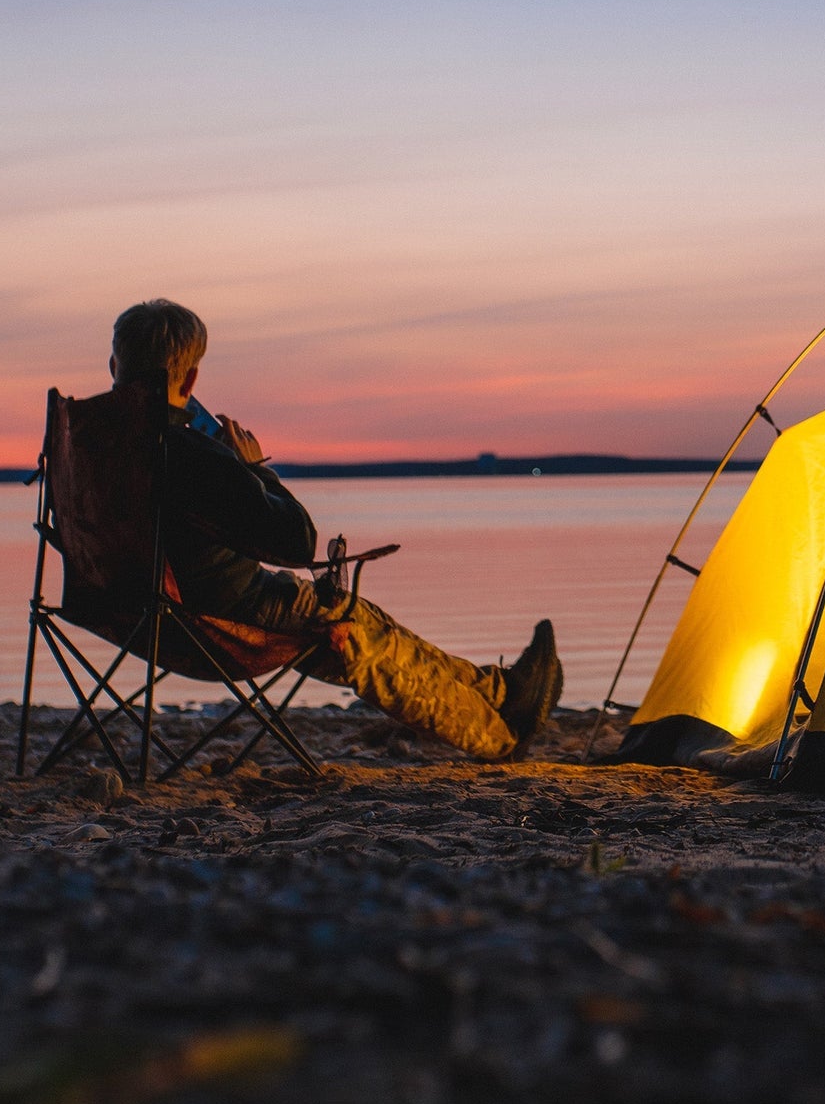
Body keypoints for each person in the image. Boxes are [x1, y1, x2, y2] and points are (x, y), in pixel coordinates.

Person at [109, 299, 562, 760]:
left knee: (355, 614)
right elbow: (297, 542)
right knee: (353, 632)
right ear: (190, 381)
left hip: (128, 613)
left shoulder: (92, 447)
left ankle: (502, 692)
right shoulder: (190, 453)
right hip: (217, 623)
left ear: (114, 367)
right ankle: (500, 736)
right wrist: (253, 469)